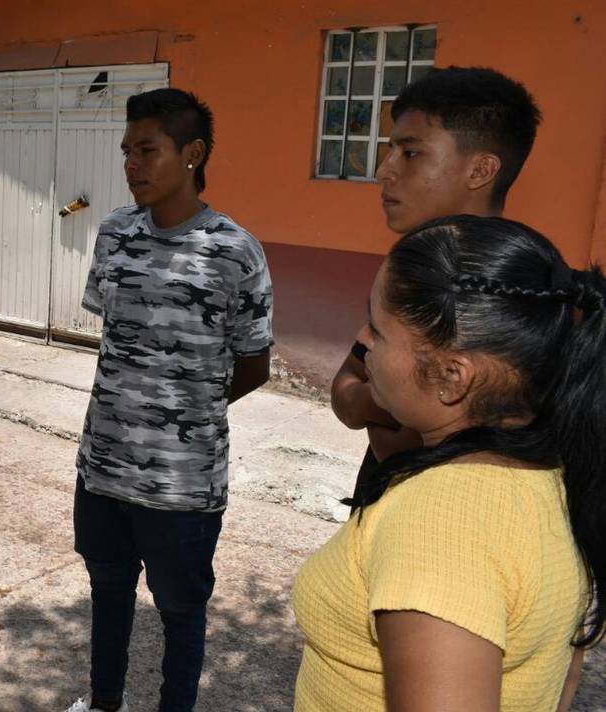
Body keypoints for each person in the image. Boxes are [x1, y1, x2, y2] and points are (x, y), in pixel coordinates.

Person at [293, 215, 605, 711]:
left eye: (377, 327)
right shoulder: (555, 475)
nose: (362, 341)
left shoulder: (440, 524)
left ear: (451, 376)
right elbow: (561, 679)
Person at [65, 88, 273, 712]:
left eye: (148, 150)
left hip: (184, 484)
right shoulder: (114, 236)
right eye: (127, 150)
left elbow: (254, 364)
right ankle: (105, 703)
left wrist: (186, 411)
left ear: (193, 154)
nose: (132, 164)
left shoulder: (236, 251)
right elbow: (114, 337)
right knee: (107, 593)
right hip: (102, 468)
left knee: (182, 611)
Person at [329, 67, 542, 500]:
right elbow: (345, 392)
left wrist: (376, 401)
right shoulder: (411, 268)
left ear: (481, 170)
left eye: (410, 154)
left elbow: (401, 432)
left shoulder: (513, 289)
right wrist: (387, 403)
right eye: (390, 151)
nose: (384, 171)